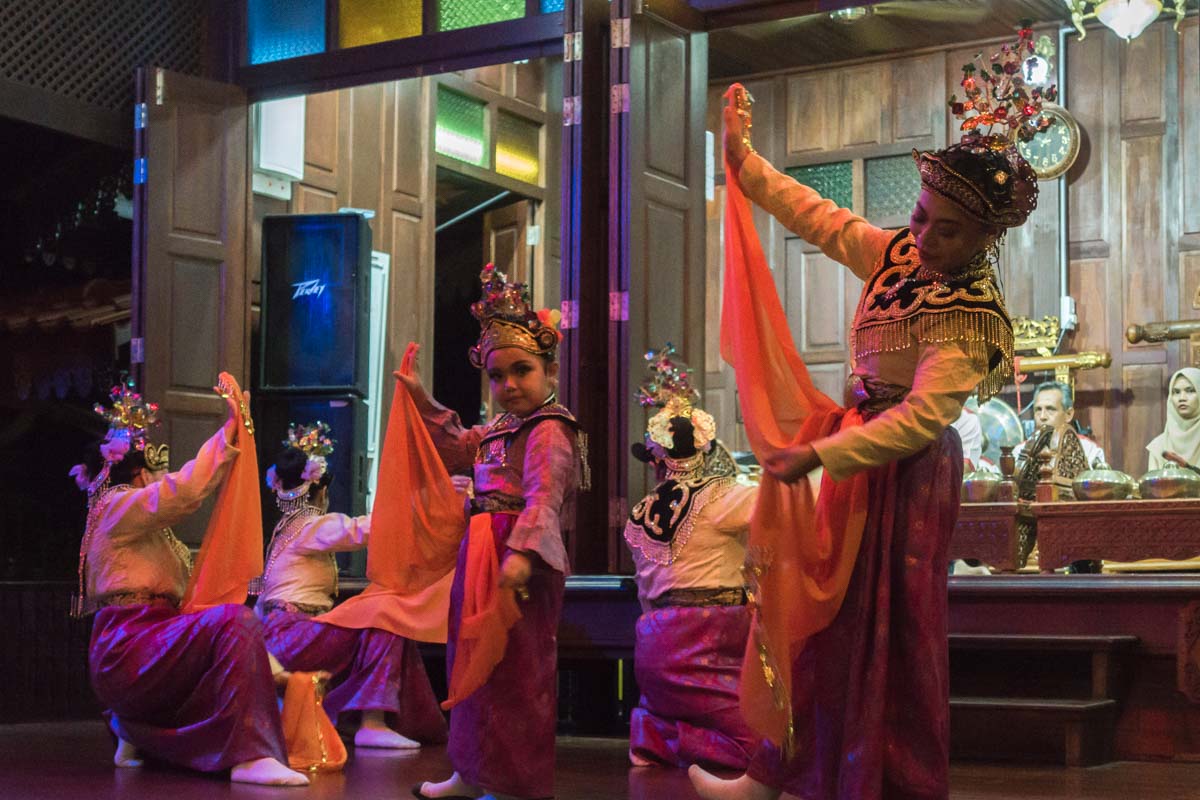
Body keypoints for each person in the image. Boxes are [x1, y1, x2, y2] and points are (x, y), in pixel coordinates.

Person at [690, 47, 1041, 799]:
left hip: (906, 478)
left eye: (947, 231)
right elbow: (820, 219)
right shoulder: (893, 257)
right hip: (856, 459)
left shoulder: (971, 313)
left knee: (885, 633)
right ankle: (781, 770)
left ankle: (872, 782)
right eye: (921, 215)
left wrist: (822, 456)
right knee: (821, 614)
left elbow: (920, 420)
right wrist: (746, 165)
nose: (925, 237)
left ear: (986, 240)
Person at [401, 265, 585, 800]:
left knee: (518, 670)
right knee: (472, 657)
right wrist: (419, 398)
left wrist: (523, 553)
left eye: (521, 371)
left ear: (549, 370)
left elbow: (545, 496)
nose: (508, 386)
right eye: (497, 376)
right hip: (481, 548)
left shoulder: (550, 428)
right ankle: (470, 771)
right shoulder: (502, 428)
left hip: (516, 556)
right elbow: (458, 444)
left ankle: (513, 785)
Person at [69, 380, 307, 786]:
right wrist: (229, 432)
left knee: (221, 627)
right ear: (137, 471)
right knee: (235, 623)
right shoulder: (115, 507)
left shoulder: (144, 527)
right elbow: (183, 491)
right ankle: (248, 753)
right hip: (128, 644)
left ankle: (134, 731)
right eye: (152, 466)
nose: (158, 474)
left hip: (149, 639)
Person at [253, 421, 447, 750]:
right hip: (294, 635)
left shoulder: (282, 530)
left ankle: (357, 719)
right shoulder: (312, 527)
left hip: (276, 636)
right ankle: (372, 722)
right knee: (387, 612)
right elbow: (364, 529)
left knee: (375, 614)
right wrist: (427, 501)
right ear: (322, 491)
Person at [623, 345, 759, 770]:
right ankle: (671, 737)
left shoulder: (638, 514)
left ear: (657, 462)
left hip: (654, 643)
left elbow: (647, 593)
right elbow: (792, 504)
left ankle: (655, 730)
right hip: (709, 639)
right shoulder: (724, 497)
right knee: (772, 750)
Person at [1012, 380, 1106, 476]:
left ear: (1068, 414)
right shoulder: (1019, 451)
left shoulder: (1089, 450)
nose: (1042, 416)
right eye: (1038, 410)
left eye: (1050, 409)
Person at [1146, 368, 1200, 471]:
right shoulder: (1159, 446)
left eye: (1190, 391)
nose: (1182, 398)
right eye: (1176, 392)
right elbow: (1152, 486)